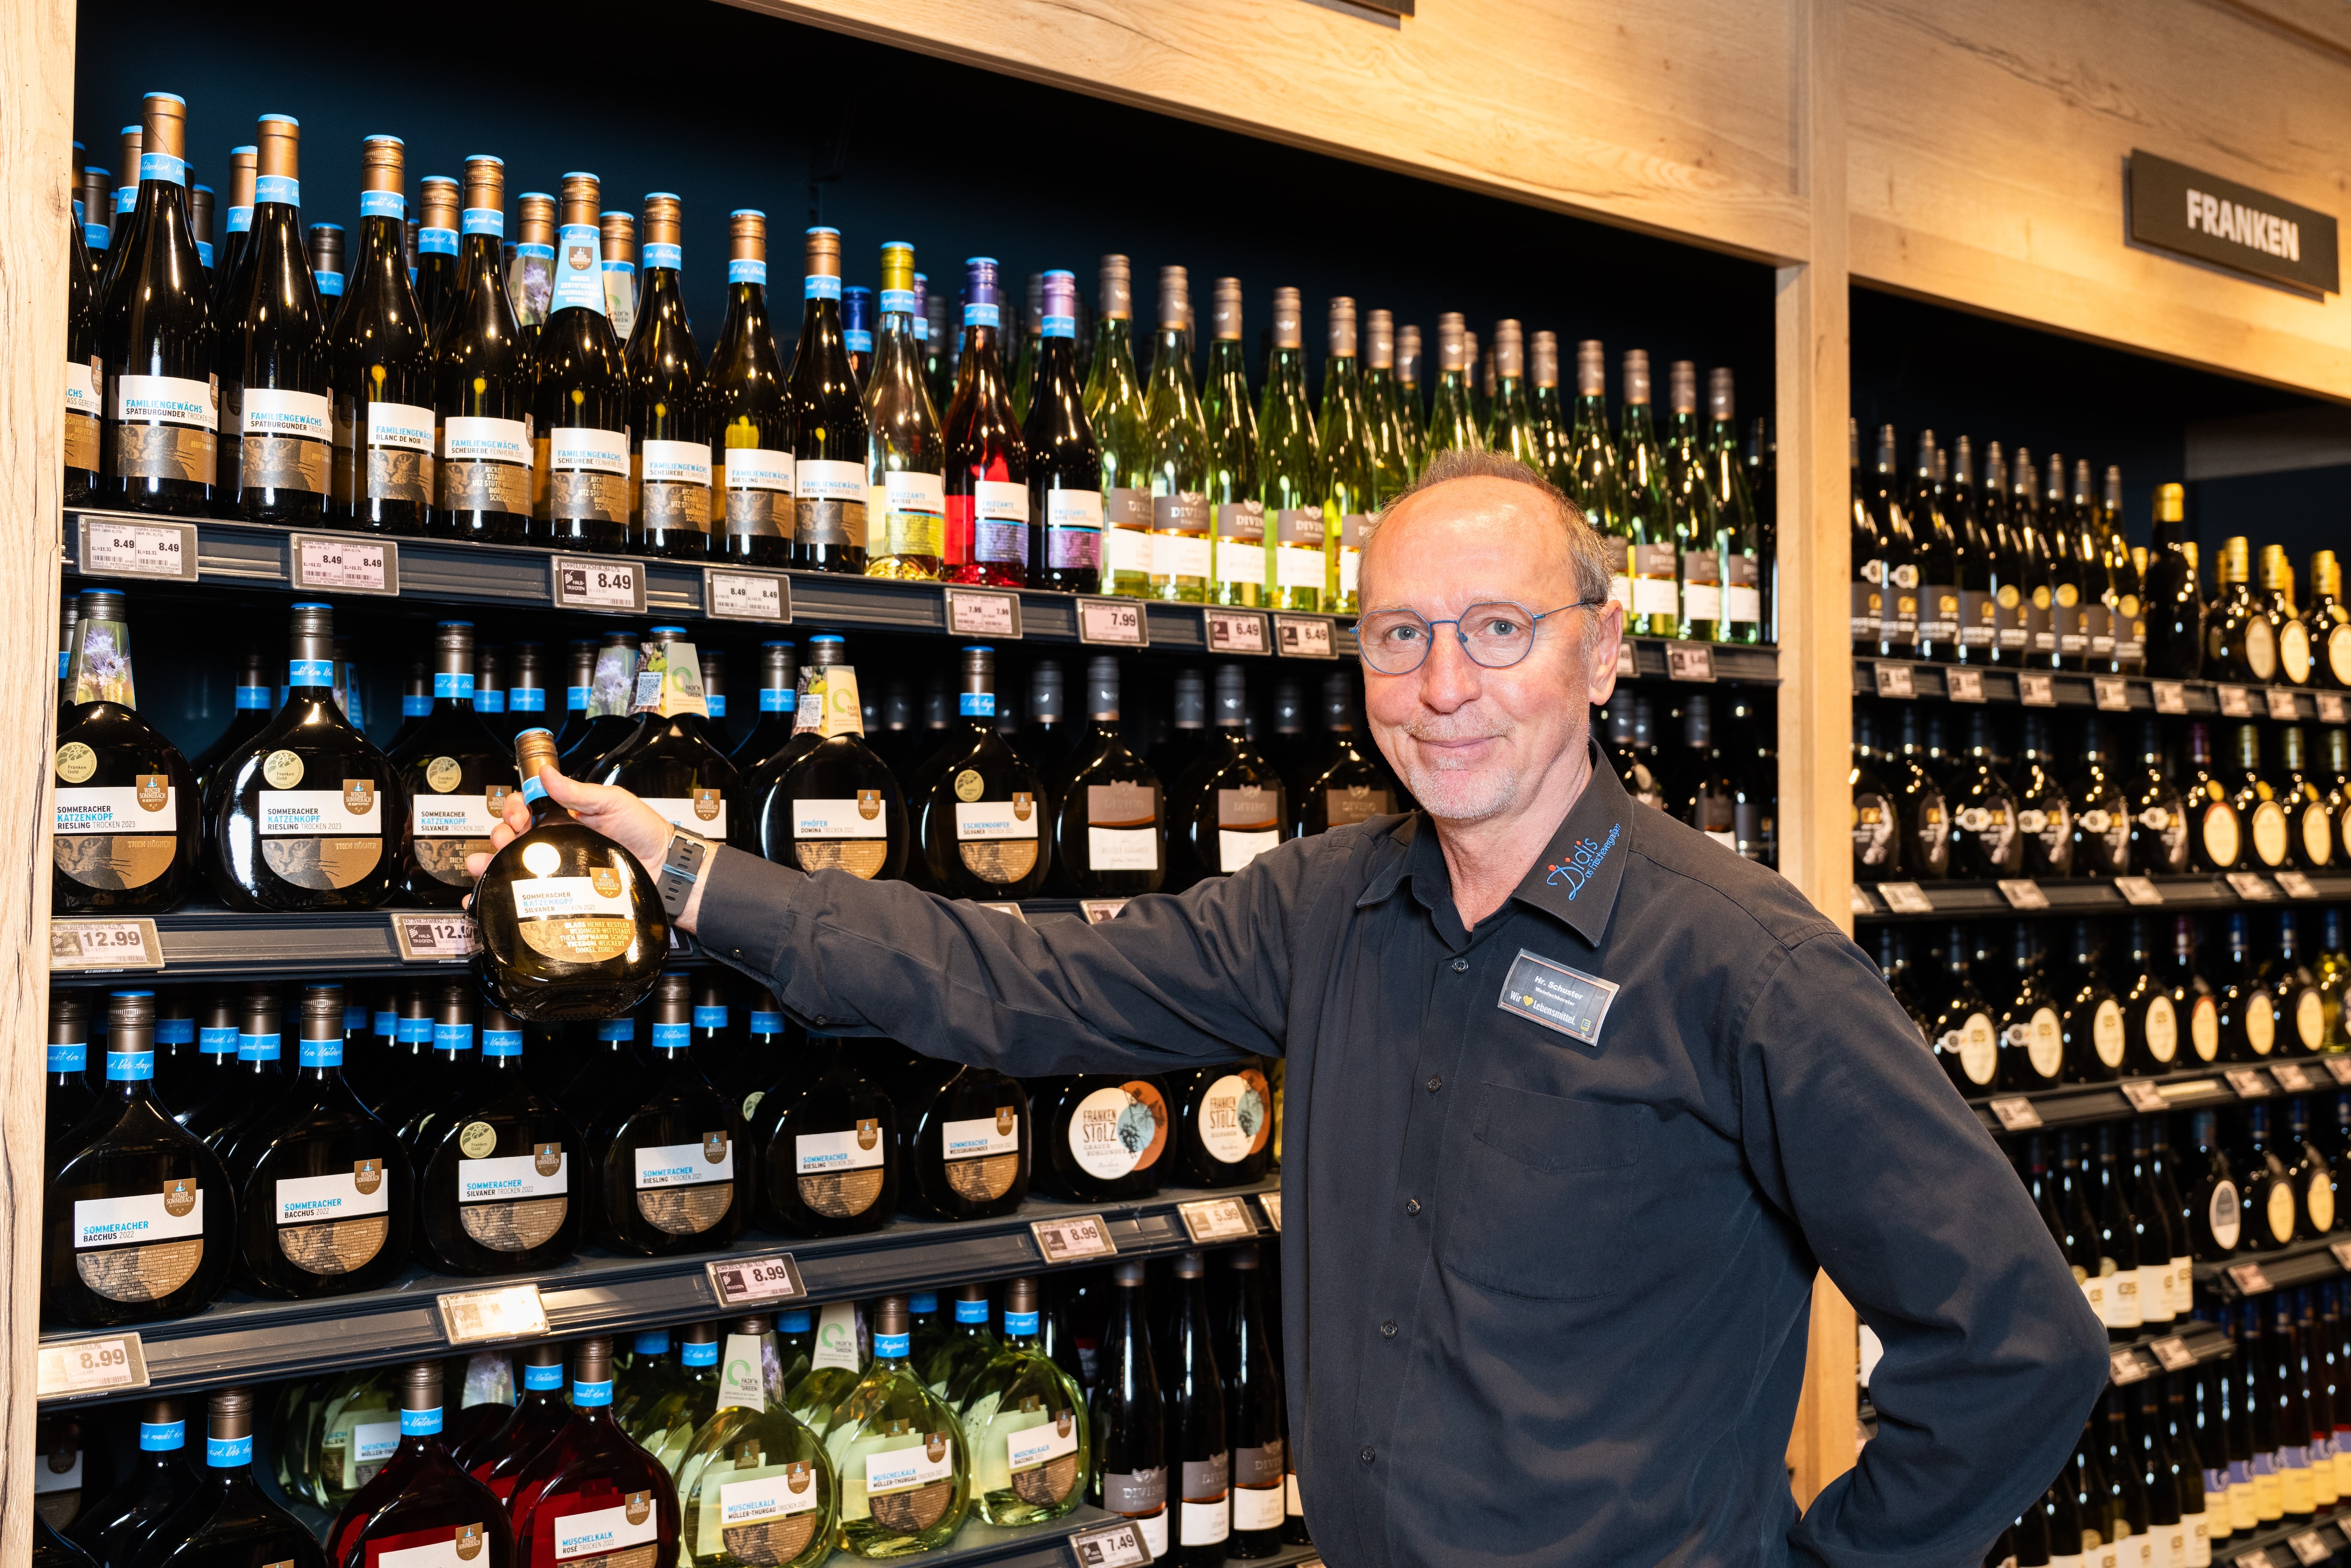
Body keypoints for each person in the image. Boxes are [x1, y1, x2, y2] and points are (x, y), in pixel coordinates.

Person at [471, 448, 2106, 1565]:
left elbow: (2021, 1350)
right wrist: (691, 875)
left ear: (1603, 656)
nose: (1445, 687)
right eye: (1400, 636)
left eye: (1497, 631)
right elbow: (1017, 983)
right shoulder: (1330, 904)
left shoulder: (1743, 965)